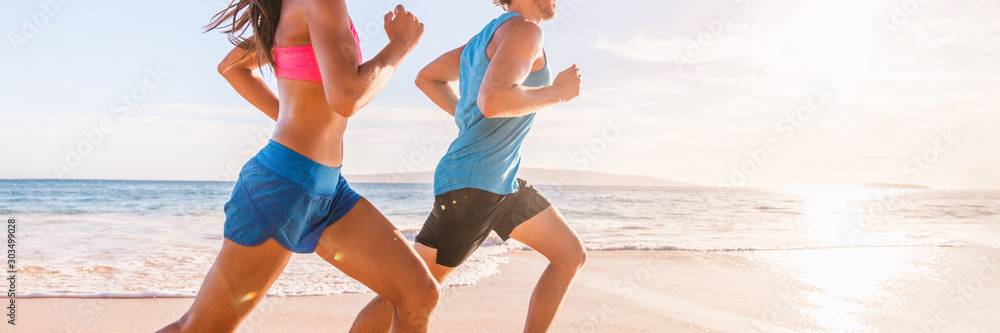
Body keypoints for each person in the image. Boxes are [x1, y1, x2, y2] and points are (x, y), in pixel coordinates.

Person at [158, 1, 438, 332]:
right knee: (200, 328)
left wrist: (293, 119)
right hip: (282, 188)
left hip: (329, 192)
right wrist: (400, 44)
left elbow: (231, 66)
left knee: (417, 293)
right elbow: (347, 97)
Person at [350, 0, 586, 332]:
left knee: (569, 255)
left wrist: (469, 122)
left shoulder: (487, 38)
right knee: (411, 292)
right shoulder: (524, 31)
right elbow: (494, 101)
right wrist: (558, 92)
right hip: (473, 187)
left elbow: (427, 78)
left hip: (502, 184)